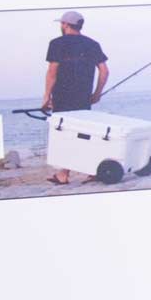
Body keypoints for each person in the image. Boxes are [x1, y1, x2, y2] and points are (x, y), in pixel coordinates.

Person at [41, 11, 108, 185]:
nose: (61, 26)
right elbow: (104, 71)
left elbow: (52, 72)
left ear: (65, 24)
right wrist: (97, 93)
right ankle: (90, 171)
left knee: (65, 135)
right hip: (83, 97)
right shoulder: (92, 44)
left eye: (61, 24)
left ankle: (64, 175)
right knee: (83, 134)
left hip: (62, 96)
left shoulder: (56, 43)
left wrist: (46, 97)